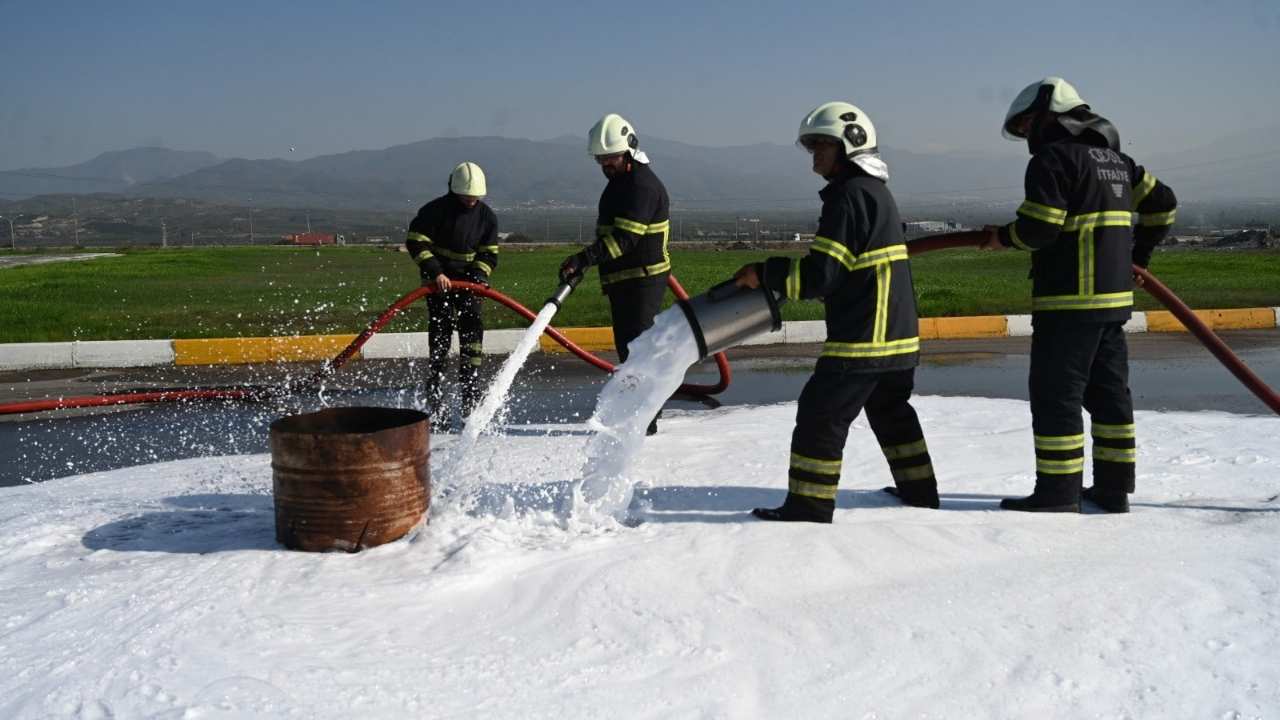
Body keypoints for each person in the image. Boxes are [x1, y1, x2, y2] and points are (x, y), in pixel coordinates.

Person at [734, 101, 939, 523]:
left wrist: (764, 272)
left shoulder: (848, 197)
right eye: (812, 147)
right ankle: (920, 491)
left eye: (822, 146)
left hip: (865, 335)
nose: (815, 156)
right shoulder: (875, 192)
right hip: (898, 334)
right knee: (891, 411)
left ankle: (809, 504)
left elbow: (820, 276)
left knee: (819, 415)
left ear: (850, 146)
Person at [981, 77, 1177, 513]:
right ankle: (1112, 490)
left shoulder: (1054, 160)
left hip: (1067, 305)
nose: (1028, 135)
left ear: (1052, 118)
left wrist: (1002, 238)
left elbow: (1039, 228)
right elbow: (1164, 205)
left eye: (1029, 124)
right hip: (1111, 307)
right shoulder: (1118, 163)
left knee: (1057, 395)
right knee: (1109, 396)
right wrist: (1137, 256)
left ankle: (1057, 492)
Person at [559, 113, 671, 435]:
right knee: (629, 350)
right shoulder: (621, 183)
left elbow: (624, 240)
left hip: (642, 280)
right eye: (601, 159)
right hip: (626, 281)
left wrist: (585, 258)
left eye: (610, 158)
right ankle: (640, 413)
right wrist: (584, 261)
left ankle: (645, 421)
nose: (605, 164)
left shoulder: (641, 187)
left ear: (629, 150)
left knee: (639, 352)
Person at [405, 161, 500, 423]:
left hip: (469, 286)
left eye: (475, 197)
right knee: (440, 336)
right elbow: (416, 242)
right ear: (454, 191)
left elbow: (489, 254)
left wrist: (478, 276)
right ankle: (436, 393)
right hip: (439, 284)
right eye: (467, 197)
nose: (472, 201)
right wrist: (436, 271)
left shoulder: (486, 217)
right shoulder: (434, 212)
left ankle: (471, 394)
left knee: (472, 336)